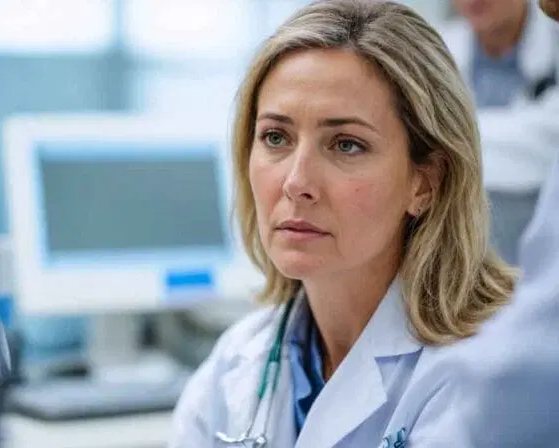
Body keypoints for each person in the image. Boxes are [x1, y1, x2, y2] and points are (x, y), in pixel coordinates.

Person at [167, 1, 516, 446]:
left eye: (346, 144)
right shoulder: (235, 366)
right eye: (276, 137)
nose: (296, 182)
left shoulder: (489, 376)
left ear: (426, 181)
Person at [413, 1, 559, 446]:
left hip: (527, 292)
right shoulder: (439, 51)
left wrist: (437, 140)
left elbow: (544, 144)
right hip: (458, 292)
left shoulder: (552, 46)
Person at [442, 0, 559, 264]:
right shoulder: (437, 49)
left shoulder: (553, 44)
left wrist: (446, 139)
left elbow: (550, 148)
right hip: (464, 258)